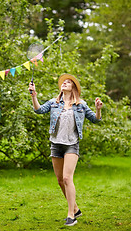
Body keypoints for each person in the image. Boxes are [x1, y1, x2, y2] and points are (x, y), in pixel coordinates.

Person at [28, 74, 103, 227]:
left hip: (71, 144)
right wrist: (34, 95)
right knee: (60, 181)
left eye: (68, 82)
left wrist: (98, 110)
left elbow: (95, 119)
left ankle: (71, 215)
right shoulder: (54, 102)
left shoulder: (81, 104)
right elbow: (38, 110)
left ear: (73, 87)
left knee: (68, 178)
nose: (65, 83)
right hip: (55, 144)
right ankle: (75, 208)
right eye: (64, 82)